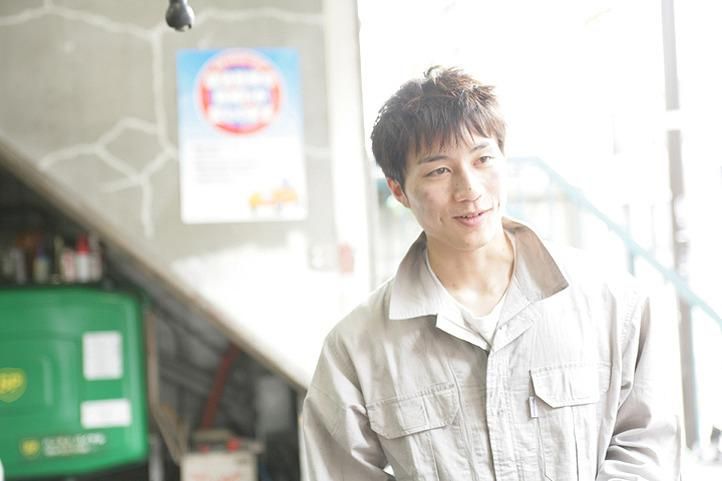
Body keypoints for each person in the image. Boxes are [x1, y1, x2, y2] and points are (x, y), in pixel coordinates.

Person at [301, 66, 681, 480]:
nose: (469, 189)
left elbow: (648, 450)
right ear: (398, 190)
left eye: (483, 159)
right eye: (439, 170)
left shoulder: (612, 304)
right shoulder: (356, 347)